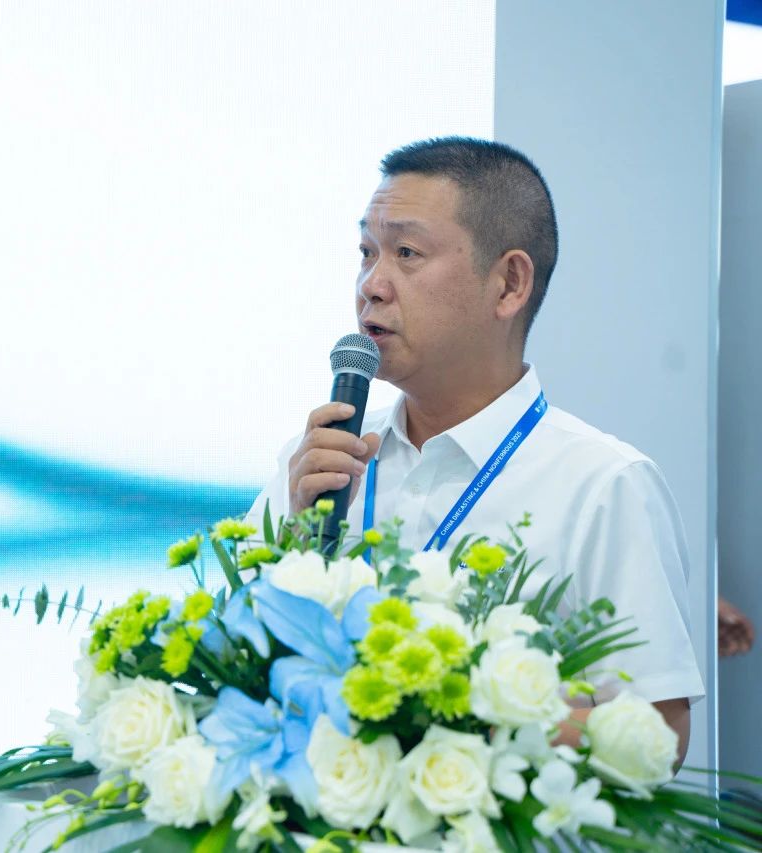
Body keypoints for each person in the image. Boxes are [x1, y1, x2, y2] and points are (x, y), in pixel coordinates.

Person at [245, 137, 703, 764]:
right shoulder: (320, 461)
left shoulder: (603, 484)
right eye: (366, 252)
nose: (371, 285)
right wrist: (297, 541)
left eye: (406, 253)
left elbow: (659, 736)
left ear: (509, 284)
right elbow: (230, 665)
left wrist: (444, 720)